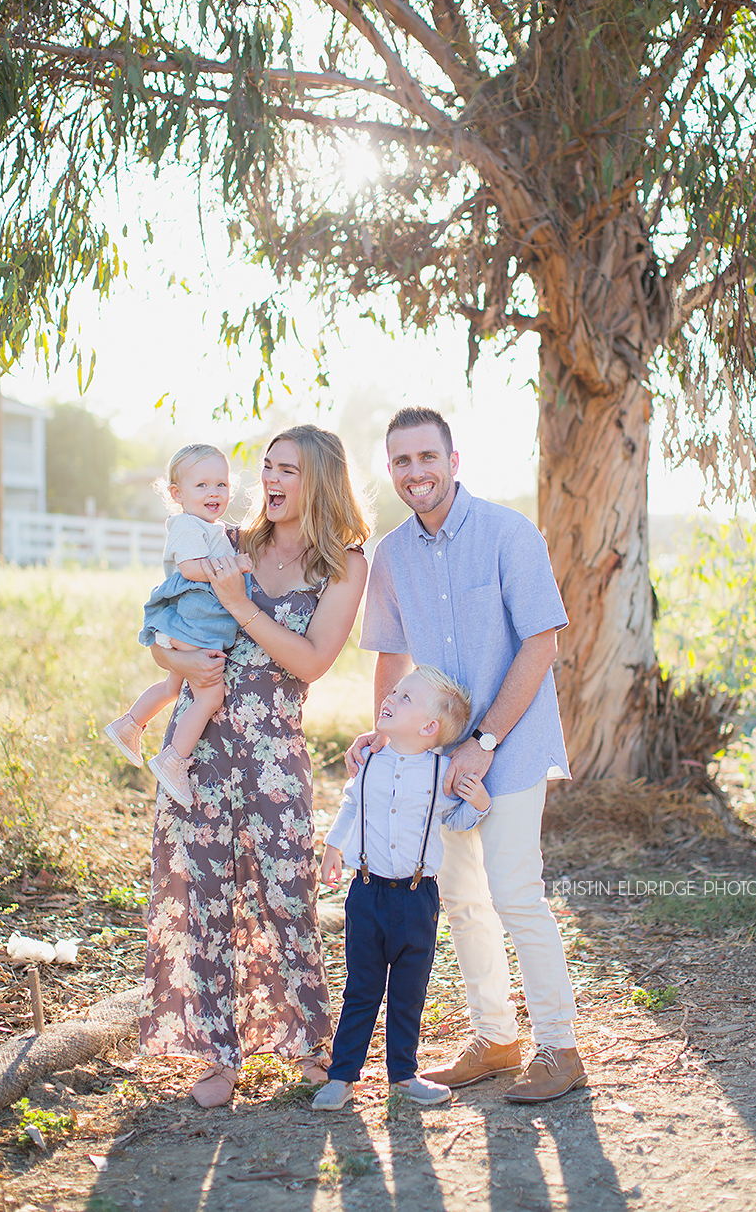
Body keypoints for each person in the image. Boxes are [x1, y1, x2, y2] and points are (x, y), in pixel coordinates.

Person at [346, 406, 586, 1105]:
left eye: (426, 457)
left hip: (507, 747)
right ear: (390, 472)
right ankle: (496, 1037)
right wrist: (388, 739)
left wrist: (483, 743)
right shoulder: (390, 555)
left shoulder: (509, 533)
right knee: (461, 900)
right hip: (435, 755)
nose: (415, 471)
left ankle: (560, 1045)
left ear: (455, 460)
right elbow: (392, 654)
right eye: (401, 461)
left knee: (514, 891)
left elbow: (541, 642)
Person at [138, 425, 369, 1108]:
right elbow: (165, 630)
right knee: (200, 897)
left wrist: (241, 605)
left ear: (318, 481)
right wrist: (175, 661)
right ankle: (215, 1053)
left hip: (273, 755)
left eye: (287, 469)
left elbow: (312, 660)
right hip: (200, 748)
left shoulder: (345, 566)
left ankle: (305, 1042)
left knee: (285, 894)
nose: (268, 478)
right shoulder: (227, 541)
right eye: (266, 466)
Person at [313, 665, 489, 1111]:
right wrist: (334, 847)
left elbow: (459, 819)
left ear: (429, 727)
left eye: (405, 697)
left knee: (409, 991)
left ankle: (404, 1075)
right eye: (395, 691)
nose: (390, 697)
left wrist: (480, 806)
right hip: (367, 892)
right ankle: (342, 1076)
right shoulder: (369, 760)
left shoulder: (443, 772)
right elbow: (352, 805)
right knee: (362, 987)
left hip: (417, 898)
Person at [105, 444, 253, 807]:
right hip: (196, 625)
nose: (214, 492)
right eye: (201, 485)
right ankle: (174, 760)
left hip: (192, 623)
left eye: (221, 484)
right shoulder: (187, 525)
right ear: (177, 494)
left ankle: (129, 725)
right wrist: (237, 566)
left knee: (174, 685)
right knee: (210, 695)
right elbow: (190, 568)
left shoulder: (208, 526)